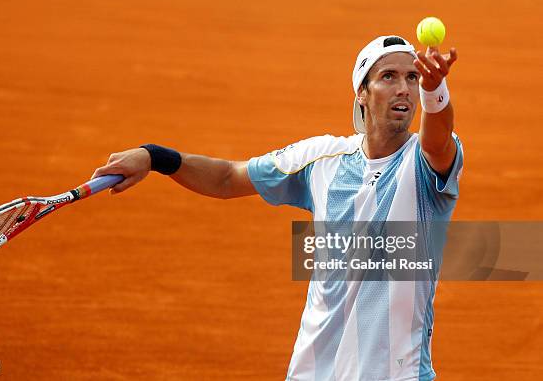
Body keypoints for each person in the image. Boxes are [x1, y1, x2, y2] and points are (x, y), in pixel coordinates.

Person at [91, 35, 462, 381]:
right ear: (362, 93)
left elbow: (438, 137)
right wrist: (154, 156)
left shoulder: (425, 164)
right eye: (389, 76)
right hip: (312, 372)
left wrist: (435, 91)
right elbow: (226, 178)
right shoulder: (322, 160)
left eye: (412, 77)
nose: (404, 88)